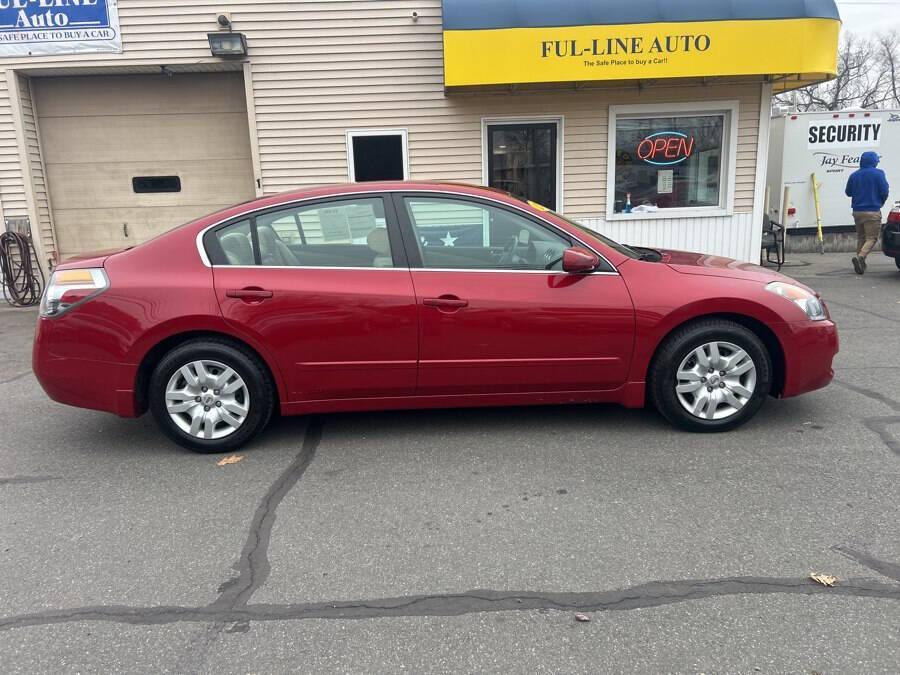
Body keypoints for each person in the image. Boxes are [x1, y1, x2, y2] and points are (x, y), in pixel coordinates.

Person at [845, 151, 890, 274]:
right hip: (872, 211)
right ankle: (860, 257)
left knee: (861, 237)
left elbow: (848, 192)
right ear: (874, 162)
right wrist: (881, 202)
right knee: (872, 238)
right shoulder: (879, 174)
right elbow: (884, 191)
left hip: (857, 211)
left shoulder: (854, 175)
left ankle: (861, 262)